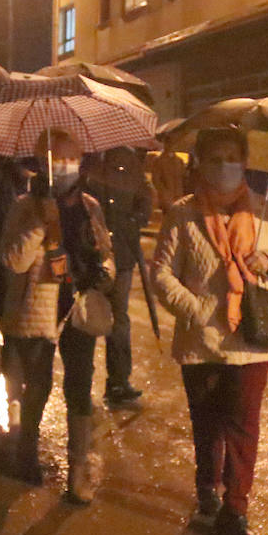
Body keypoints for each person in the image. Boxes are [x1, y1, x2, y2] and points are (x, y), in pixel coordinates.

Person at [152, 127, 268, 535]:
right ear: (200, 163)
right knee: (207, 423)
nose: (224, 166)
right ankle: (207, 486)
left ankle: (235, 509)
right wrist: (194, 308)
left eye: (231, 158)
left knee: (243, 427)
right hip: (201, 341)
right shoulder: (183, 214)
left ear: (245, 162)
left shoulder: (265, 210)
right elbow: (161, 273)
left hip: (251, 338)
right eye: (214, 158)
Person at [0, 128, 116, 503]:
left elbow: (107, 256)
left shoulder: (90, 206)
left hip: (77, 309)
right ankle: (25, 452)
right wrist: (42, 220)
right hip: (40, 311)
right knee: (38, 388)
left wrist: (105, 270)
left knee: (79, 388)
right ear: (40, 162)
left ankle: (78, 471)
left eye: (70, 158)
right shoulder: (23, 206)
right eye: (55, 157)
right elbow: (14, 261)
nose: (63, 165)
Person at [84, 146, 153, 406]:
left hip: (122, 255)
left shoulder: (130, 162)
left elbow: (145, 198)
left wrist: (133, 222)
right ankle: (82, 382)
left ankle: (118, 382)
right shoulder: (89, 162)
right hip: (93, 256)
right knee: (88, 316)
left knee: (119, 319)